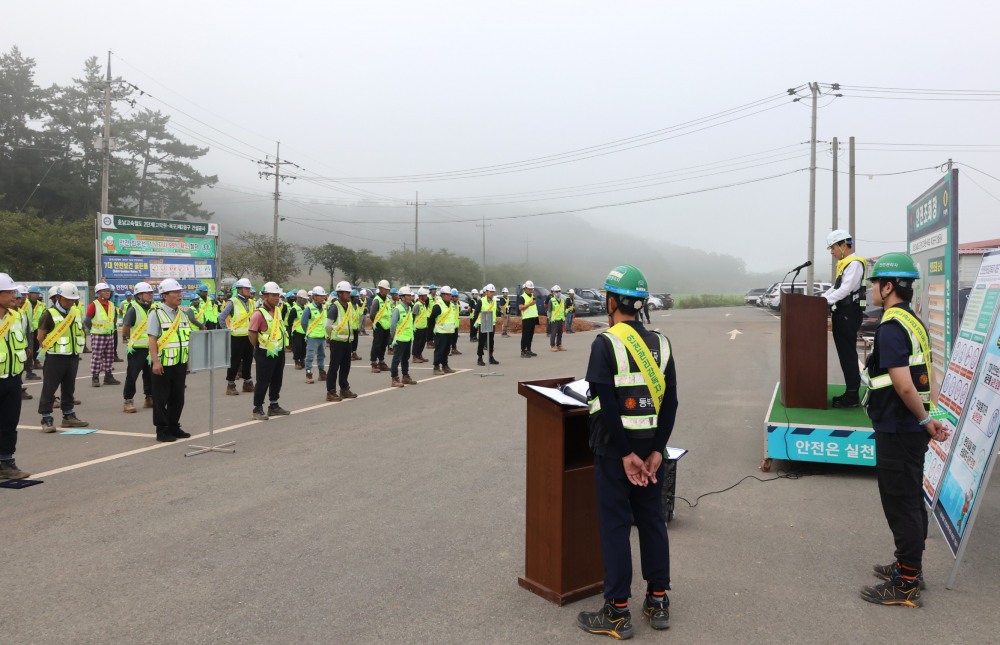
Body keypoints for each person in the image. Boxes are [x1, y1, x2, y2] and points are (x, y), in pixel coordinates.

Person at [578, 265, 677, 639]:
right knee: (651, 521)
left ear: (613, 301)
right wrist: (656, 451)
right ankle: (657, 599)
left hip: (615, 453)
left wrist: (624, 454)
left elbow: (605, 405)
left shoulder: (606, 343)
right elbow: (671, 403)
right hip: (650, 452)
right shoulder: (662, 343)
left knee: (616, 527)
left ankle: (617, 611)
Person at [858, 252, 947, 608]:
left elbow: (904, 384)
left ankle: (907, 582)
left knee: (901, 502)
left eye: (875, 283)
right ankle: (909, 566)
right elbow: (929, 372)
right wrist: (930, 416)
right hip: (910, 426)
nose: (871, 290)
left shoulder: (892, 328)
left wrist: (925, 420)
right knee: (908, 499)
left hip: (899, 426)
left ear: (889, 286)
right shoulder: (913, 321)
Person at [147, 279, 201, 442]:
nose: (180, 295)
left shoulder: (182, 314)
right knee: (161, 398)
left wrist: (188, 361)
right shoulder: (156, 314)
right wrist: (155, 362)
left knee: (178, 397)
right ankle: (162, 429)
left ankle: (173, 426)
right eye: (176, 292)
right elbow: (152, 339)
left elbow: (187, 339)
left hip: (179, 362)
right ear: (164, 295)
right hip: (163, 364)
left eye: (180, 292)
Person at [36, 282, 89, 433]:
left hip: (72, 356)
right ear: (58, 297)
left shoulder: (76, 312)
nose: (70, 303)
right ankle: (46, 417)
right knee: (49, 388)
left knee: (69, 387)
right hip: (55, 357)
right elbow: (40, 337)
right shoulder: (49, 314)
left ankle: (68, 415)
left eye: (73, 300)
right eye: (67, 300)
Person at [823, 229, 867, 408]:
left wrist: (824, 301)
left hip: (849, 313)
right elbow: (835, 289)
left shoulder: (854, 263)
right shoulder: (845, 264)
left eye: (832, 247)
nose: (831, 252)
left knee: (848, 354)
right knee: (845, 354)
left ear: (843, 245)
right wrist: (820, 300)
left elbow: (845, 290)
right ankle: (851, 392)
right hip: (843, 312)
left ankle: (852, 395)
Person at [0, 274, 31, 479]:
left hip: (12, 378)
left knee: (9, 422)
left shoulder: (17, 316)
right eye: (10, 292)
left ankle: (6, 462)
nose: (15, 296)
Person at [248, 282, 291, 420]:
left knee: (277, 379)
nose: (277, 298)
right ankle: (258, 408)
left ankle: (274, 405)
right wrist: (258, 347)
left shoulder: (278, 311)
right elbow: (252, 334)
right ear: (265, 296)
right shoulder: (258, 314)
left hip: (278, 351)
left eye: (278, 295)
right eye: (273, 295)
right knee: (263, 381)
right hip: (264, 352)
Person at [120, 281, 156, 414]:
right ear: (139, 295)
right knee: (132, 375)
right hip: (136, 349)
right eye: (147, 293)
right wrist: (132, 339)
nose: (150, 295)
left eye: (151, 293)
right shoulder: (133, 309)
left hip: (150, 347)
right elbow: (126, 328)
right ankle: (128, 400)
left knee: (150, 374)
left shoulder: (154, 307)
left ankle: (149, 397)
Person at [219, 278, 256, 396]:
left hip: (248, 336)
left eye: (249, 288)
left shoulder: (251, 302)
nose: (249, 290)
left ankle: (247, 383)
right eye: (246, 288)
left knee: (248, 360)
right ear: (239, 289)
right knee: (234, 361)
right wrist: (227, 330)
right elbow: (221, 318)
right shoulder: (232, 302)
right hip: (236, 337)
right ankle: (230, 385)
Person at [324, 281, 358, 402]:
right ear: (340, 293)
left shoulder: (349, 306)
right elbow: (327, 325)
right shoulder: (335, 307)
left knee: (345, 367)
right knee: (334, 367)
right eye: (346, 292)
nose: (349, 295)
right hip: (337, 342)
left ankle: (344, 389)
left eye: (349, 292)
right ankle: (331, 391)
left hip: (347, 341)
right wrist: (331, 337)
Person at [84, 282, 121, 388]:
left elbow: (113, 319)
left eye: (108, 291)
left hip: (109, 334)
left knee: (109, 356)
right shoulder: (94, 305)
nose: (108, 293)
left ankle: (108, 376)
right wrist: (93, 330)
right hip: (98, 335)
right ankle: (95, 377)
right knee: (97, 356)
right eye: (105, 291)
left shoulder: (111, 305)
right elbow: (87, 320)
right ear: (98, 293)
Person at [388, 286, 419, 387]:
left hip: (408, 338)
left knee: (405, 358)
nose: (410, 297)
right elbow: (392, 325)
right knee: (396, 359)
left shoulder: (409, 308)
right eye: (408, 295)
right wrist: (394, 337)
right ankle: (394, 378)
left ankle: (405, 376)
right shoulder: (398, 309)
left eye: (410, 295)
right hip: (399, 339)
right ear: (402, 297)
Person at [300, 285, 329, 384]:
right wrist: (309, 332)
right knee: (310, 356)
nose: (323, 297)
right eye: (320, 296)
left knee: (322, 355)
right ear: (315, 297)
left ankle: (321, 372)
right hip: (313, 337)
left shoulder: (324, 308)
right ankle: (308, 373)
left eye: (323, 296)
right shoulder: (309, 308)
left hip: (322, 336)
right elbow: (303, 323)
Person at [429, 286, 456, 376]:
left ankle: (445, 365)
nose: (450, 296)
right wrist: (429, 336)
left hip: (449, 331)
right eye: (448, 294)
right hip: (440, 332)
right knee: (439, 350)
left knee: (446, 350)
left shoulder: (451, 305)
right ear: (443, 295)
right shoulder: (438, 306)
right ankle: (436, 367)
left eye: (450, 294)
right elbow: (431, 320)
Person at [369, 280, 393, 373]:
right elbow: (372, 314)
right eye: (385, 289)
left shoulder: (388, 300)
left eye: (387, 289)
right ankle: (374, 363)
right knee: (377, 344)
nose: (387, 291)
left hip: (387, 325)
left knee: (383, 344)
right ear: (381, 289)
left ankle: (381, 362)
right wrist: (376, 323)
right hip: (379, 325)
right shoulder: (377, 300)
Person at [475, 284, 500, 367]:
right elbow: (476, 312)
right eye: (490, 292)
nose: (492, 293)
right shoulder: (481, 301)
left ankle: (490, 357)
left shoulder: (495, 301)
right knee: (482, 341)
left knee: (491, 341)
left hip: (492, 323)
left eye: (493, 292)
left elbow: (496, 311)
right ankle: (480, 357)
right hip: (483, 323)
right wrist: (475, 322)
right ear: (486, 292)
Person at [286, 289, 307, 370]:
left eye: (306, 299)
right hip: (296, 332)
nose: (305, 301)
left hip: (304, 332)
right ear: (299, 299)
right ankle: (296, 361)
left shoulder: (306, 308)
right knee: (297, 347)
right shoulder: (294, 309)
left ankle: (302, 360)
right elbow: (289, 321)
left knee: (303, 347)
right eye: (304, 299)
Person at [519, 281, 539, 358]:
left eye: (532, 289)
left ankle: (529, 349)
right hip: (526, 318)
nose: (531, 290)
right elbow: (520, 307)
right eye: (529, 289)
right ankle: (523, 351)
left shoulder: (532, 296)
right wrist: (529, 304)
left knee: (530, 335)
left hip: (533, 317)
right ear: (525, 289)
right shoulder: (522, 297)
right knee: (525, 335)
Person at [411, 287, 431, 363]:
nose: (426, 296)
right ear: (421, 296)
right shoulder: (417, 305)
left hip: (424, 327)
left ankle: (419, 355)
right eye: (425, 295)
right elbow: (412, 316)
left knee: (422, 343)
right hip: (418, 328)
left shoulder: (423, 305)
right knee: (417, 343)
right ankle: (415, 357)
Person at [547, 285, 566, 352]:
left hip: (561, 319)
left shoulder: (562, 301)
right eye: (556, 291)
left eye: (559, 291)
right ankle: (552, 345)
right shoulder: (551, 300)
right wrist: (549, 319)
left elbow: (563, 310)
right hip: (554, 319)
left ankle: (559, 345)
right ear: (553, 292)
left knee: (560, 333)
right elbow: (549, 311)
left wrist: (564, 318)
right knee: (554, 333)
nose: (558, 293)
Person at [349, 289, 363, 361]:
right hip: (350, 327)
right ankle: (349, 355)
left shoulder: (357, 305)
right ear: (352, 297)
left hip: (356, 326)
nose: (358, 298)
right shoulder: (349, 305)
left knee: (355, 341)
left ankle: (354, 353)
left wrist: (362, 307)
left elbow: (360, 314)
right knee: (350, 341)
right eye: (356, 297)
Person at [449, 288, 462, 356]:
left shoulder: (457, 304)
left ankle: (454, 348)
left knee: (455, 337)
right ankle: (449, 350)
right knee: (450, 338)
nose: (457, 298)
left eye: (457, 296)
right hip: (451, 324)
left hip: (456, 324)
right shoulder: (450, 304)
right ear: (452, 297)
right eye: (455, 296)